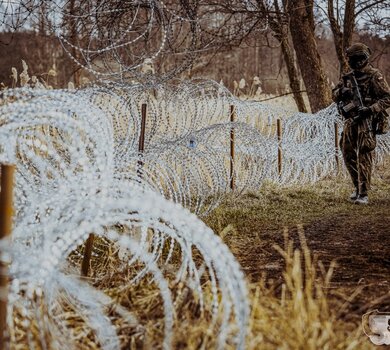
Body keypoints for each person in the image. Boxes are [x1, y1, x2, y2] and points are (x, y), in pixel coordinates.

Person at [332, 42, 390, 205]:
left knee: (364, 154)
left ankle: (364, 193)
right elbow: (334, 95)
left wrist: (371, 109)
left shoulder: (374, 75)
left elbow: (387, 98)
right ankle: (357, 187)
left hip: (367, 120)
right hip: (351, 119)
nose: (349, 61)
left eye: (352, 58)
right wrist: (341, 92)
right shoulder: (348, 76)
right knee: (347, 152)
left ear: (361, 58)